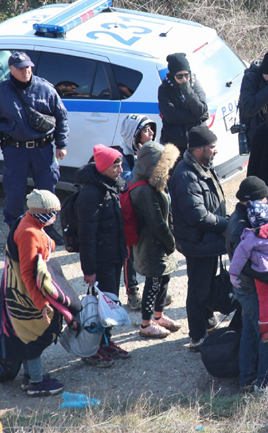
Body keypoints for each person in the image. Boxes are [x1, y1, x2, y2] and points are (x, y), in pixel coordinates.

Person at [168, 125, 228, 351]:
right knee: (198, 289)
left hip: (207, 241)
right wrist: (225, 225)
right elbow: (198, 216)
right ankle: (197, 336)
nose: (215, 151)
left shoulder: (201, 167)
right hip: (198, 242)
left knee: (205, 284)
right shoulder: (185, 175)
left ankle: (207, 320)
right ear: (198, 149)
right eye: (212, 147)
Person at [0, 52, 69, 245]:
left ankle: (47, 228)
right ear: (11, 70)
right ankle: (15, 231)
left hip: (43, 149)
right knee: (14, 192)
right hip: (15, 150)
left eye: (28, 67)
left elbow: (61, 116)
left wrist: (61, 144)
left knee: (47, 191)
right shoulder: (3, 92)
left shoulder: (45, 88)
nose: (25, 71)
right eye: (20, 68)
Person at [4, 190, 67, 395]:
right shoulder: (28, 232)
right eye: (51, 213)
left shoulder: (28, 221)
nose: (54, 217)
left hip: (20, 289)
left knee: (29, 335)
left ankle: (30, 377)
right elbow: (28, 273)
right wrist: (41, 303)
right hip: (25, 294)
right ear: (41, 212)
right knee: (35, 335)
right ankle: (36, 384)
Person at [226, 176, 268, 391]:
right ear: (252, 200)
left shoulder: (245, 217)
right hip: (252, 290)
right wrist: (266, 276)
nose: (266, 202)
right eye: (263, 198)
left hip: (248, 288)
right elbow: (239, 263)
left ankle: (248, 379)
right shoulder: (239, 227)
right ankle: (265, 383)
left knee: (251, 333)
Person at [75, 144, 129, 366]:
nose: (120, 168)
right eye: (115, 164)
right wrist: (89, 270)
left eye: (120, 163)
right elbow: (86, 236)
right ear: (104, 166)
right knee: (99, 308)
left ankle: (107, 341)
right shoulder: (90, 194)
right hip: (101, 261)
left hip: (114, 256)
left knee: (111, 303)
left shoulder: (111, 185)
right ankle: (92, 349)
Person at [128, 142, 182, 339]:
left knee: (164, 278)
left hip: (159, 244)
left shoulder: (152, 183)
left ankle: (158, 316)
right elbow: (156, 222)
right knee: (153, 283)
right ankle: (145, 323)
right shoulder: (144, 190)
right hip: (151, 245)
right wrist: (171, 242)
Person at [118, 114, 168, 311]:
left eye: (151, 129)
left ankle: (154, 290)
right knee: (131, 255)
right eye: (146, 130)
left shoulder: (155, 151)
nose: (152, 133)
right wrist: (141, 160)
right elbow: (127, 182)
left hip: (151, 208)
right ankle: (133, 293)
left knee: (153, 250)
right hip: (133, 212)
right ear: (135, 136)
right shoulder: (123, 157)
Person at [229, 201, 268, 344]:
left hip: (261, 273)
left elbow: (239, 256)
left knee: (264, 301)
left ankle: (265, 332)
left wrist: (233, 274)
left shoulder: (251, 237)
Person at [157, 53, 208, 154]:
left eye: (186, 75)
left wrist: (187, 90)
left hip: (199, 140)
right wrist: (197, 117)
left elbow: (201, 109)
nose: (184, 79)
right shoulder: (164, 90)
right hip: (176, 145)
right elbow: (170, 116)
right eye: (179, 76)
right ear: (173, 75)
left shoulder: (195, 85)